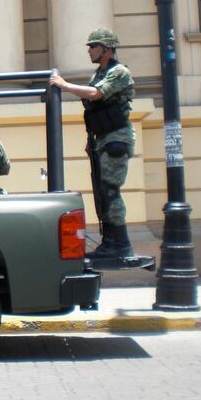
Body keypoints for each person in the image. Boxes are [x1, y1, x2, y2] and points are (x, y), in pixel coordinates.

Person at [50, 28, 135, 260]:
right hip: (103, 139)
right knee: (102, 192)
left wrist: (65, 86)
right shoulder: (100, 73)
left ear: (107, 49)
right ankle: (109, 242)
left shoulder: (119, 72)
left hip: (116, 139)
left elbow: (97, 94)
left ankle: (121, 244)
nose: (89, 50)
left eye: (93, 46)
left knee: (110, 190)